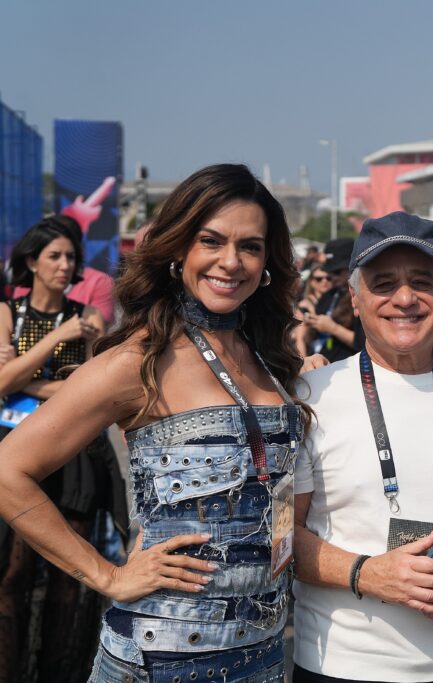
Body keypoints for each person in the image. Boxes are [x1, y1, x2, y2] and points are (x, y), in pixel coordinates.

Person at [0, 163, 312, 683]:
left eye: (250, 247)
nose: (231, 262)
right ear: (178, 250)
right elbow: (9, 470)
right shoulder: (138, 360)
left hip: (263, 653)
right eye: (211, 241)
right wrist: (107, 575)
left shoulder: (269, 358)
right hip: (162, 658)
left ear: (268, 261)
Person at [292, 211, 433, 683]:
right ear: (355, 299)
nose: (404, 298)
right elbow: (281, 538)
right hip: (339, 664)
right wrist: (365, 573)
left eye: (422, 281)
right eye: (383, 284)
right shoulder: (310, 396)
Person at [0, 217, 110, 682]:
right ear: (32, 262)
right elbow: (2, 383)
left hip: (76, 456)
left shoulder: (89, 321)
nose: (66, 266)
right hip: (16, 450)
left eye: (71, 258)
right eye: (55, 257)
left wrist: (31, 378)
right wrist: (54, 345)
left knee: (71, 580)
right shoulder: (8, 311)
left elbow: (94, 391)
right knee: (11, 577)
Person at [302, 238, 361, 362]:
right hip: (319, 362)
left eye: (336, 272)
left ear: (352, 269)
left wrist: (333, 328)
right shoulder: (330, 295)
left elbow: (364, 343)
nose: (331, 277)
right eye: (329, 272)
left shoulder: (362, 298)